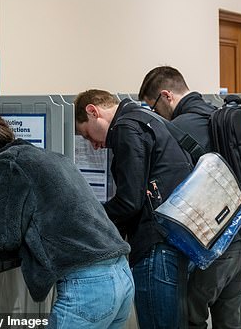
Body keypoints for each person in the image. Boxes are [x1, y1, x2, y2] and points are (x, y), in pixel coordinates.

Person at [0, 112, 134, 329]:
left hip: (89, 284)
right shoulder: (52, 157)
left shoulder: (8, 162)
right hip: (121, 274)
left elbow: (3, 237)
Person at [138, 66, 241, 329]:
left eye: (153, 106)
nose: (155, 113)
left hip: (216, 243)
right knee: (231, 321)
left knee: (192, 316)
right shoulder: (216, 114)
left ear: (166, 96)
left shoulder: (176, 129)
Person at [74, 89, 193, 329]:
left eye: (86, 134)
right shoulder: (144, 118)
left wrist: (91, 219)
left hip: (155, 244)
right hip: (173, 237)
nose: (93, 146)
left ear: (93, 111)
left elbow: (130, 201)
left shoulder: (127, 128)